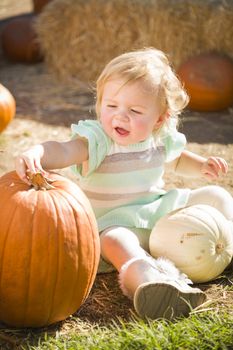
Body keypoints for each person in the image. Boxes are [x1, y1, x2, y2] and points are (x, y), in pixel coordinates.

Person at [15, 48, 233, 320]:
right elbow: (64, 150)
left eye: (135, 110)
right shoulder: (98, 140)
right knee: (115, 240)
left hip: (157, 213)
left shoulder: (158, 137)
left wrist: (201, 165)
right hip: (114, 222)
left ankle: (228, 243)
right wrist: (39, 153)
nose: (120, 116)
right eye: (111, 106)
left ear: (160, 118)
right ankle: (146, 278)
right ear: (100, 103)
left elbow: (177, 161)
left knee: (216, 195)